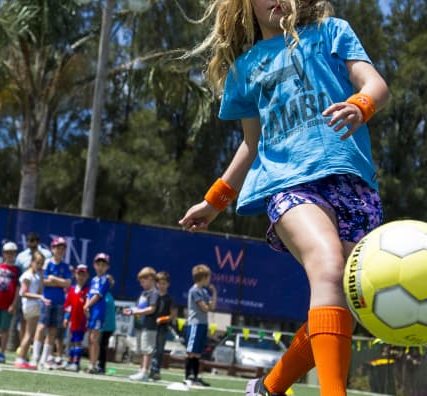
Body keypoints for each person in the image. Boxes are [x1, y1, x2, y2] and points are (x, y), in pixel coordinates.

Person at [179, 1, 389, 394]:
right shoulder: (245, 67)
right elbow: (251, 144)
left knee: (344, 302)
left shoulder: (332, 31)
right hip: (288, 183)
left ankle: (269, 387)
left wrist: (362, 106)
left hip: (353, 183)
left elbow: (376, 85)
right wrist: (214, 201)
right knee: (327, 266)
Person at [34, 236, 72, 369]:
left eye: (63, 248)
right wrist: (59, 282)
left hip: (60, 301)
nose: (60, 251)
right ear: (52, 249)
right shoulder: (47, 263)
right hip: (47, 300)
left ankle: (44, 359)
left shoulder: (65, 266)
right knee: (41, 327)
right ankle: (35, 358)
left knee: (53, 331)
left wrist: (54, 279)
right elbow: (43, 281)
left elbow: (67, 284)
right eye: (58, 248)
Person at [14, 251, 50, 369]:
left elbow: (39, 290)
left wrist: (41, 279)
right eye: (37, 263)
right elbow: (23, 293)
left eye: (41, 264)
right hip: (30, 306)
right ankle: (20, 359)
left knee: (29, 334)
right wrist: (40, 297)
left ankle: (23, 358)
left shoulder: (36, 275)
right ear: (32, 262)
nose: (39, 266)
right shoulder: (27, 275)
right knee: (29, 335)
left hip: (33, 306)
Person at [181, 264, 216, 387]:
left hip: (203, 324)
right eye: (208, 277)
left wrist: (214, 293)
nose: (209, 279)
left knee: (198, 352)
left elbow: (212, 307)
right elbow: (205, 308)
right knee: (191, 351)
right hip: (195, 324)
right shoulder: (195, 290)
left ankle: (195, 377)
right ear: (203, 277)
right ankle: (187, 377)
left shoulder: (204, 291)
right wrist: (208, 305)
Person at [124, 266, 159, 382]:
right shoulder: (144, 293)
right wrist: (131, 310)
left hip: (149, 326)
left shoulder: (154, 293)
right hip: (140, 325)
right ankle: (141, 371)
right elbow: (140, 307)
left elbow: (152, 309)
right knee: (141, 349)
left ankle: (144, 372)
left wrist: (136, 311)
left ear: (150, 279)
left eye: (143, 281)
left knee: (146, 349)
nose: (141, 284)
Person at [84, 252, 112, 374]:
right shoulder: (94, 280)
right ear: (94, 265)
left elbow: (98, 295)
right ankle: (92, 363)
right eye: (98, 264)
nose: (100, 267)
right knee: (90, 339)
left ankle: (93, 364)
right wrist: (86, 306)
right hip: (91, 311)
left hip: (98, 311)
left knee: (94, 339)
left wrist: (87, 305)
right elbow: (89, 294)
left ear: (107, 267)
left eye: (103, 265)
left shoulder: (106, 280)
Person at [63, 264, 90, 372]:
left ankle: (76, 362)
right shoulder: (72, 289)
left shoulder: (88, 290)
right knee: (72, 340)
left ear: (87, 276)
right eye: (79, 274)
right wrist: (66, 317)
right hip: (73, 320)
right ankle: (70, 360)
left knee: (78, 341)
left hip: (82, 320)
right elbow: (68, 305)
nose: (81, 277)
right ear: (75, 275)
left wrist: (88, 319)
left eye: (83, 274)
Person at [150, 271, 175, 381]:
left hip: (163, 328)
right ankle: (147, 369)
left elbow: (172, 315)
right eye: (159, 283)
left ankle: (155, 370)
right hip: (151, 327)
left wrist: (163, 319)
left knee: (159, 350)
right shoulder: (153, 296)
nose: (162, 285)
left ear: (168, 284)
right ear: (156, 284)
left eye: (164, 283)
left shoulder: (169, 299)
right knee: (150, 349)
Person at [98, 274, 117, 374]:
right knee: (100, 345)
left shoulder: (107, 295)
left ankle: (101, 366)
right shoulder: (105, 294)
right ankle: (100, 365)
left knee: (102, 345)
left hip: (107, 326)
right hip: (104, 325)